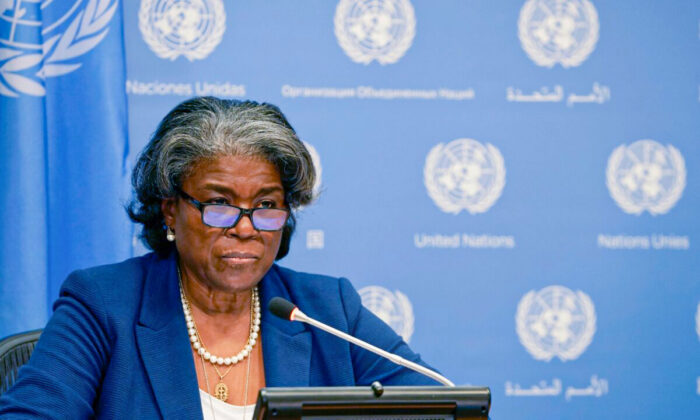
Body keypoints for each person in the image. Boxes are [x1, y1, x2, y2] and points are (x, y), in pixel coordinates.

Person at [0, 97, 441, 419]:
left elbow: (442, 408)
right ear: (170, 208)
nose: (246, 227)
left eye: (266, 205)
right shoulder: (102, 304)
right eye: (219, 204)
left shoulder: (327, 310)